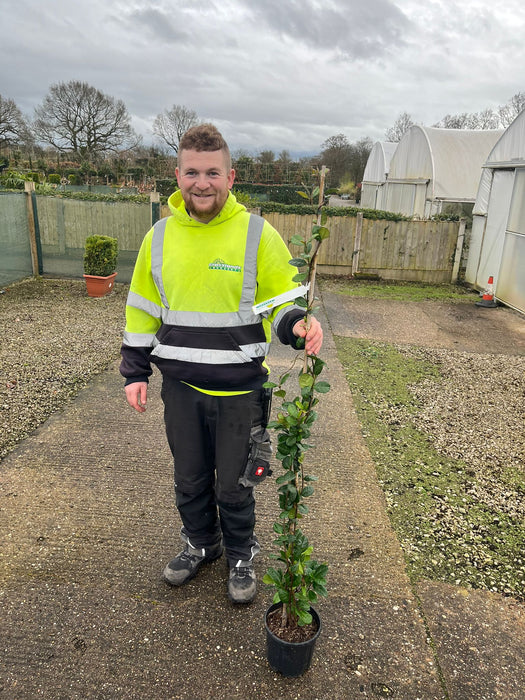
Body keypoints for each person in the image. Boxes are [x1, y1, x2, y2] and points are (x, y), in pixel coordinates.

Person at [120, 123, 323, 604]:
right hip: (182, 391)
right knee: (189, 477)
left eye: (213, 172)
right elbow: (142, 308)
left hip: (239, 395)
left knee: (234, 485)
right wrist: (135, 371)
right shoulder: (160, 237)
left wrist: (296, 323)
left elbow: (279, 301)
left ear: (231, 177)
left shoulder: (257, 234)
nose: (202, 182)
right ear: (178, 175)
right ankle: (200, 545)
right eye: (192, 172)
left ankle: (239, 552)